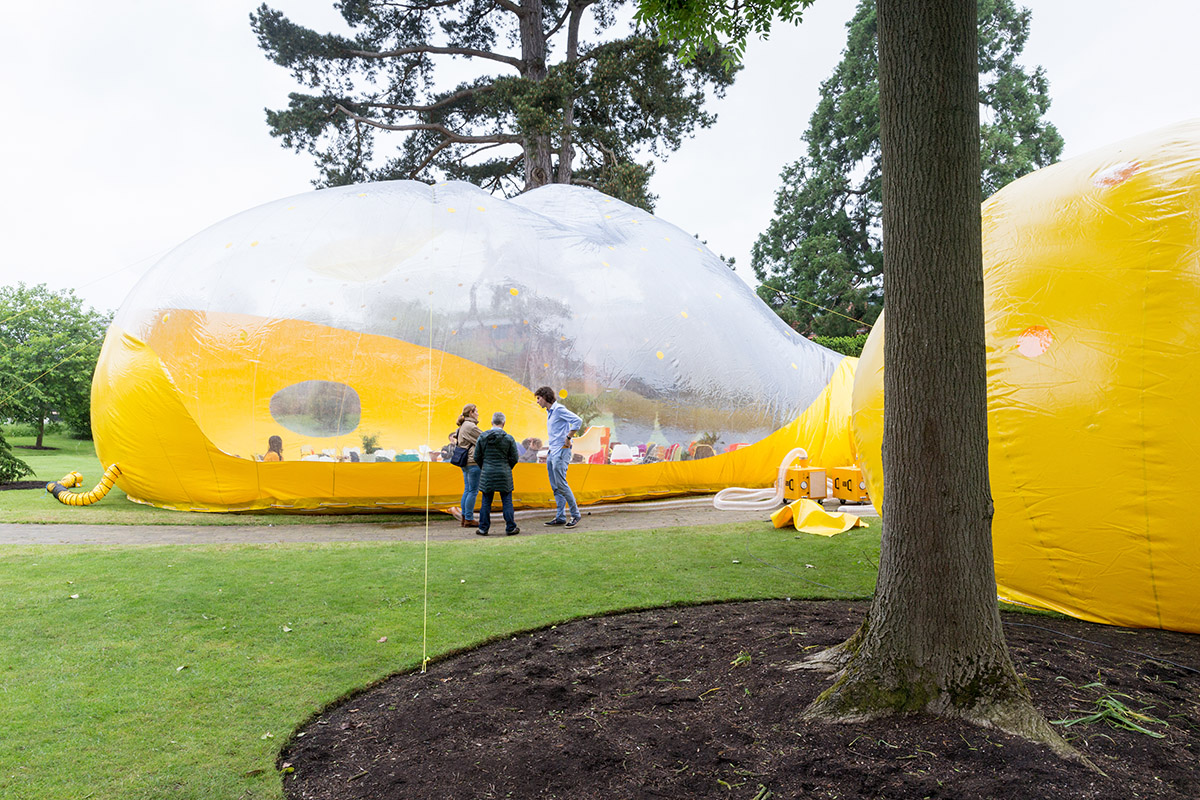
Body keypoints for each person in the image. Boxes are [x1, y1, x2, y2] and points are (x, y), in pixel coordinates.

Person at [534, 386, 582, 528]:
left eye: (538, 398)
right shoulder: (550, 412)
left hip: (561, 451)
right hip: (552, 452)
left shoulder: (559, 409)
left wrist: (569, 437)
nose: (537, 402)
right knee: (555, 486)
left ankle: (575, 515)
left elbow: (578, 421)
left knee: (561, 484)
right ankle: (560, 516)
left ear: (545, 397)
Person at [472, 411, 521, 536]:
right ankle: (510, 527)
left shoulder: (482, 437)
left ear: (491, 422)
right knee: (507, 501)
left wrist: (485, 467)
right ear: (504, 423)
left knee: (486, 501)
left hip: (487, 473)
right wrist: (507, 467)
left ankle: (483, 528)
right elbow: (515, 458)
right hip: (504, 473)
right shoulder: (509, 438)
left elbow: (476, 456)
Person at [451, 404, 482, 527]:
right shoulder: (470, 426)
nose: (478, 414)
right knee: (473, 491)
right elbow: (484, 438)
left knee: (467, 490)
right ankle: (469, 518)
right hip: (472, 461)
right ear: (471, 412)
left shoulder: (462, 426)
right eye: (477, 411)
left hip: (465, 462)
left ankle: (465, 518)